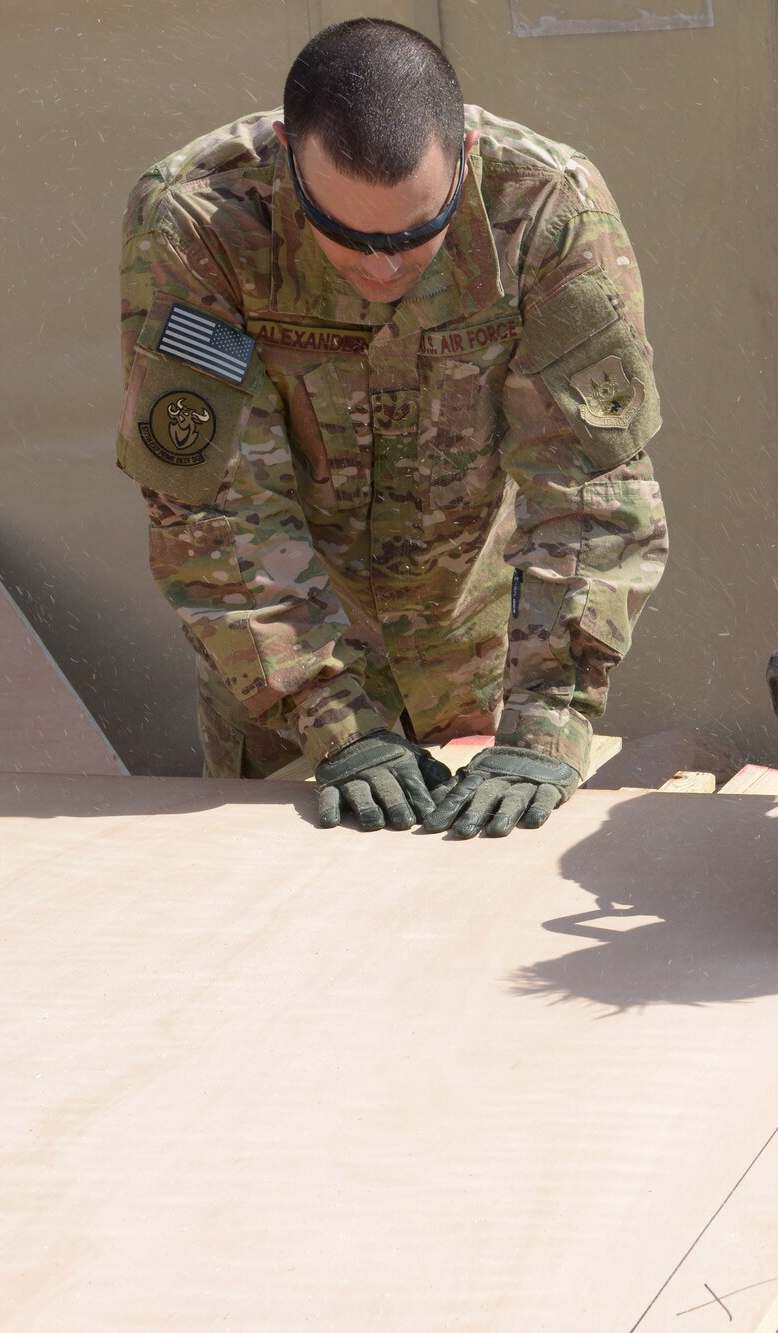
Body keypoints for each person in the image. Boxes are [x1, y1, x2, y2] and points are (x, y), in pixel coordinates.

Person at [116, 19, 666, 836]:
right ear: (288, 158)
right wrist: (334, 720)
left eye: (414, 235)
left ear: (465, 157)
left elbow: (589, 488)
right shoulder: (202, 220)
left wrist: (548, 722)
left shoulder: (543, 209)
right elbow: (215, 507)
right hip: (277, 674)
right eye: (346, 235)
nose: (381, 265)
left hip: (475, 660)